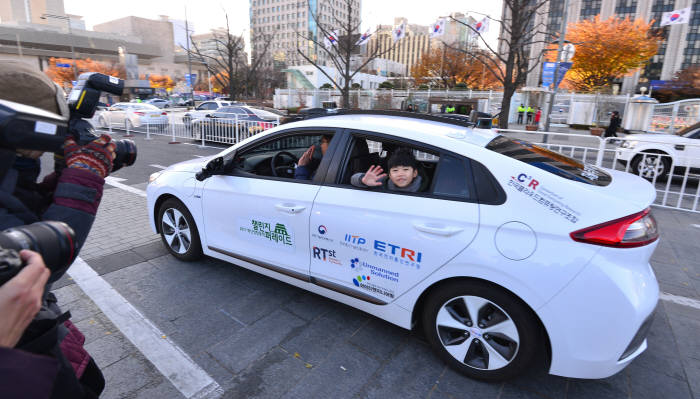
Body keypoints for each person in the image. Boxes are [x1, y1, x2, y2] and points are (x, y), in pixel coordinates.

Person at [0, 60, 114, 398]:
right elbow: (34, 261)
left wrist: (53, 188)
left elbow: (15, 211)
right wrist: (83, 179)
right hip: (22, 359)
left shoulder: (9, 166)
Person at [350, 147, 423, 192]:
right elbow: (353, 179)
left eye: (405, 169)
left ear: (414, 173)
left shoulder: (426, 189)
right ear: (390, 175)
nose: (400, 174)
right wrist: (362, 180)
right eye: (395, 170)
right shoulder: (383, 182)